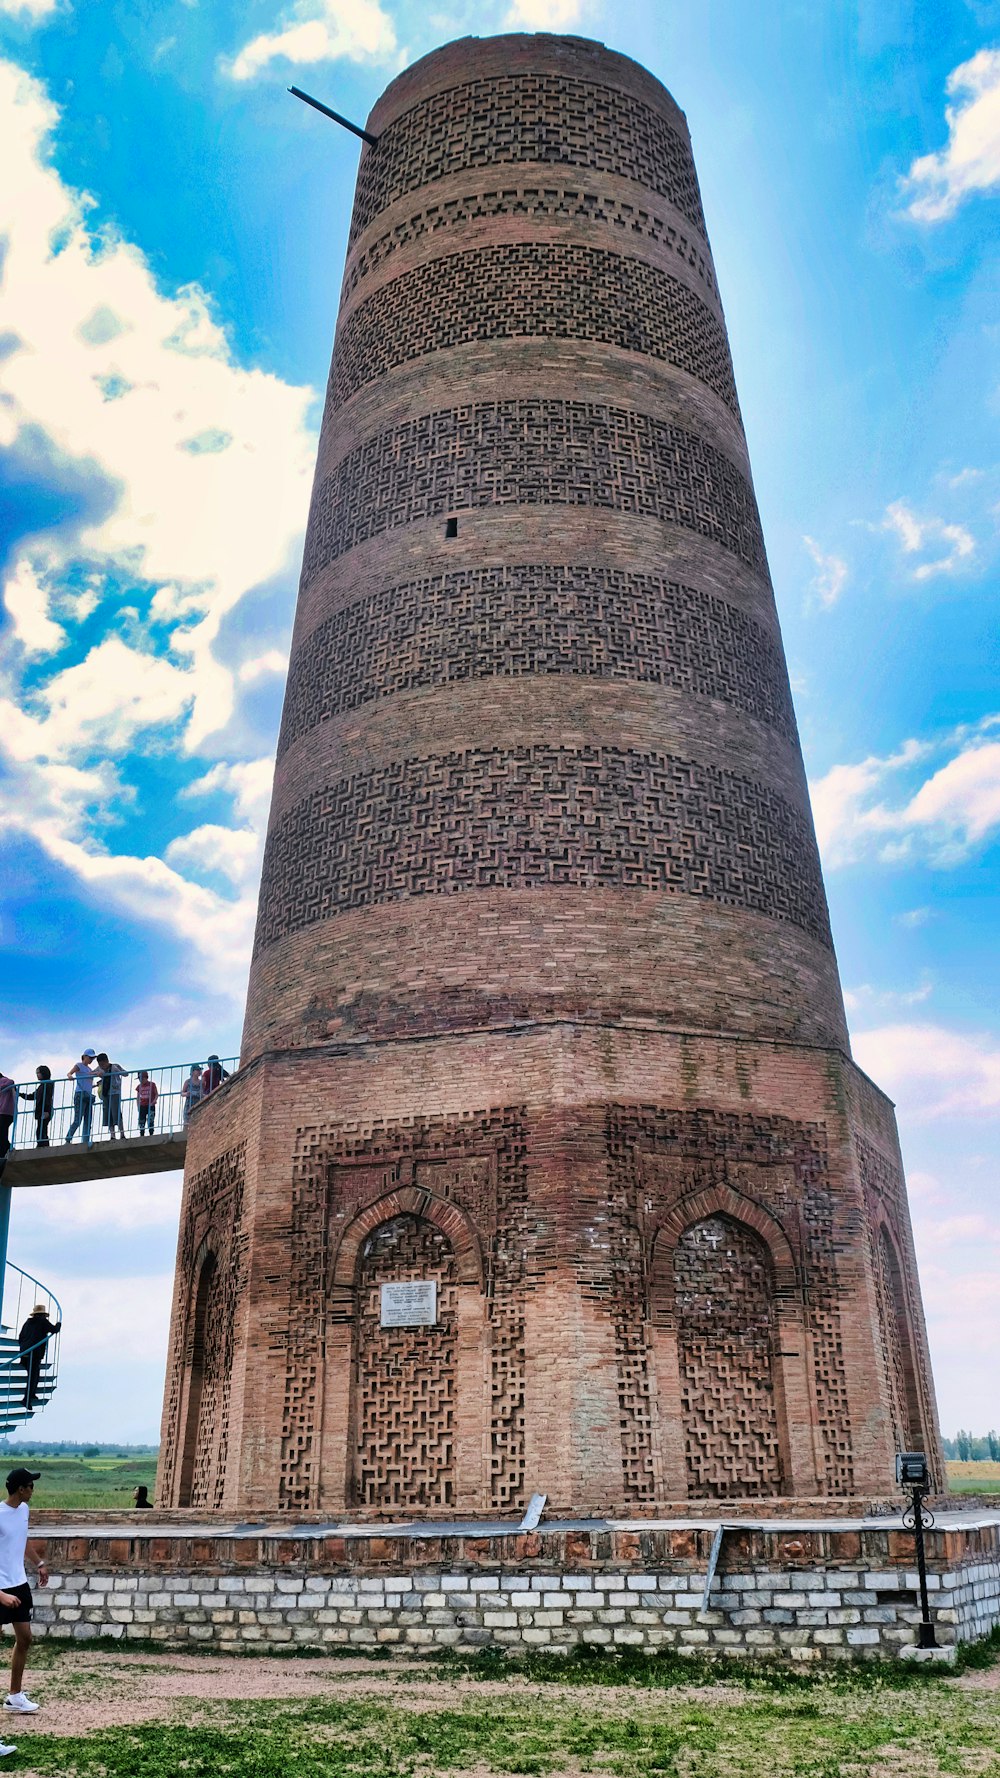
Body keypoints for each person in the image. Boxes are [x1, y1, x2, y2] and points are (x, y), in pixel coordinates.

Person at [0, 1466, 48, 1719]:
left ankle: (15, 1696)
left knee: (25, 1638)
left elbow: (23, 1540)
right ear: (21, 1489)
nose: (33, 1490)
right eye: (31, 1486)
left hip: (19, 1583)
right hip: (0, 1587)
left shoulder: (24, 1511)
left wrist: (38, 1564)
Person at [17, 1306, 61, 1411]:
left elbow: (20, 1337)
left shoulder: (27, 1323)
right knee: (33, 1376)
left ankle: (32, 1394)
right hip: (34, 1354)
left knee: (34, 1374)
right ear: (42, 1315)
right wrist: (59, 1323)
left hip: (25, 1353)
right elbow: (55, 1330)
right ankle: (26, 1399)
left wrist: (25, 1348)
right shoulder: (42, 1321)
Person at [64, 1049, 97, 1144]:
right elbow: (70, 1073)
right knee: (78, 1119)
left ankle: (85, 1140)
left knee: (88, 1119)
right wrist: (70, 1076)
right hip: (80, 1094)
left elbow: (88, 1084)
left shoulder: (90, 1070)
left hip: (88, 1095)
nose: (91, 1060)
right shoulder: (79, 1065)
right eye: (90, 1058)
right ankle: (68, 1139)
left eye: (92, 1058)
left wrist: (96, 1085)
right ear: (85, 1056)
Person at [18, 1069, 53, 1149]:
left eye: (38, 1073)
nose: (37, 1075)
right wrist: (20, 1094)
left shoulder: (48, 1084)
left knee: (42, 1129)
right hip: (41, 1110)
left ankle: (43, 1146)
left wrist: (47, 1110)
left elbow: (47, 1098)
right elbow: (33, 1096)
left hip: (44, 1110)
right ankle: (42, 1145)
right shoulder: (42, 1085)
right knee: (41, 1129)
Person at [95, 1053, 126, 1140]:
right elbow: (91, 1073)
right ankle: (112, 1135)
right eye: (100, 1065)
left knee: (116, 1112)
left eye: (103, 1064)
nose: (102, 1066)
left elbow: (126, 1074)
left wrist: (117, 1071)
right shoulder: (100, 1068)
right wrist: (97, 1073)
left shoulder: (114, 1066)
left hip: (115, 1092)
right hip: (105, 1093)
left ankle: (122, 1133)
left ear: (107, 1061)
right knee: (108, 1114)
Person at [136, 1072, 158, 1136]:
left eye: (141, 1078)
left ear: (145, 1078)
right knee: (141, 1120)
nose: (140, 1080)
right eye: (139, 1079)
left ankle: (151, 1132)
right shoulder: (139, 1086)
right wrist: (138, 1106)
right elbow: (137, 1097)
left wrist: (154, 1101)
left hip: (150, 1104)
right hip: (142, 1105)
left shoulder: (152, 1084)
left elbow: (156, 1094)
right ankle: (142, 1133)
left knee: (151, 1119)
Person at [0, 1077, 14, 1166]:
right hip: (4, 1112)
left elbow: (11, 1082)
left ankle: (3, 1152)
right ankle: (8, 1148)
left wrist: (2, 1086)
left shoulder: (4, 1080)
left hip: (6, 1112)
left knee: (2, 1132)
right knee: (2, 1133)